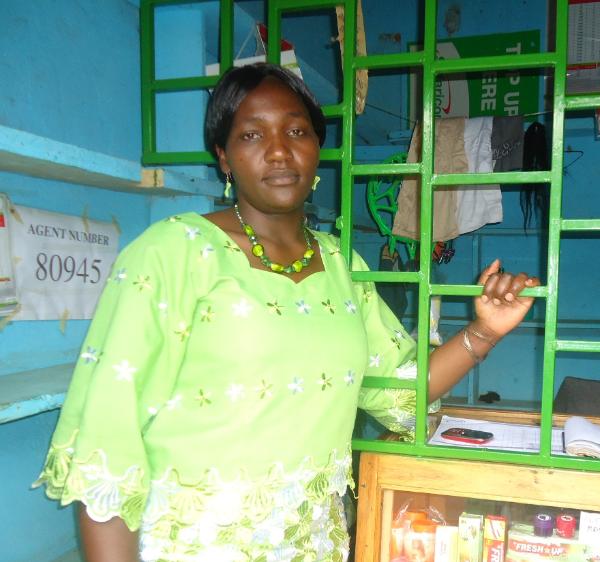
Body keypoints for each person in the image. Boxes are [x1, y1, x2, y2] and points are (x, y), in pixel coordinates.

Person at [35, 63, 539, 562]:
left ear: (317, 147)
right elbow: (106, 445)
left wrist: (483, 331)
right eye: (252, 134)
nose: (278, 150)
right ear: (224, 157)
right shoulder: (174, 252)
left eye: (296, 131)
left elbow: (400, 390)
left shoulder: (341, 265)